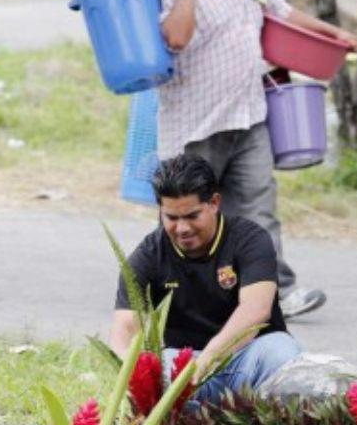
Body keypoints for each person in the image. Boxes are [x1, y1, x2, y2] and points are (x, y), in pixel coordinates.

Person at [157, 0, 357, 319]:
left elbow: (284, 14)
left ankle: (276, 293)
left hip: (249, 118)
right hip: (197, 126)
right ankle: (174, 293)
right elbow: (176, 38)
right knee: (189, 216)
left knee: (258, 210)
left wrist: (334, 32)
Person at [109, 155, 301, 402]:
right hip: (183, 366)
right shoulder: (148, 254)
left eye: (192, 216)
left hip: (247, 357)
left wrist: (207, 360)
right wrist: (129, 370)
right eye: (171, 218)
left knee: (283, 352)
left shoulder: (251, 239)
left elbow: (256, 309)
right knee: (157, 371)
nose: (182, 228)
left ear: (214, 203)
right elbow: (124, 324)